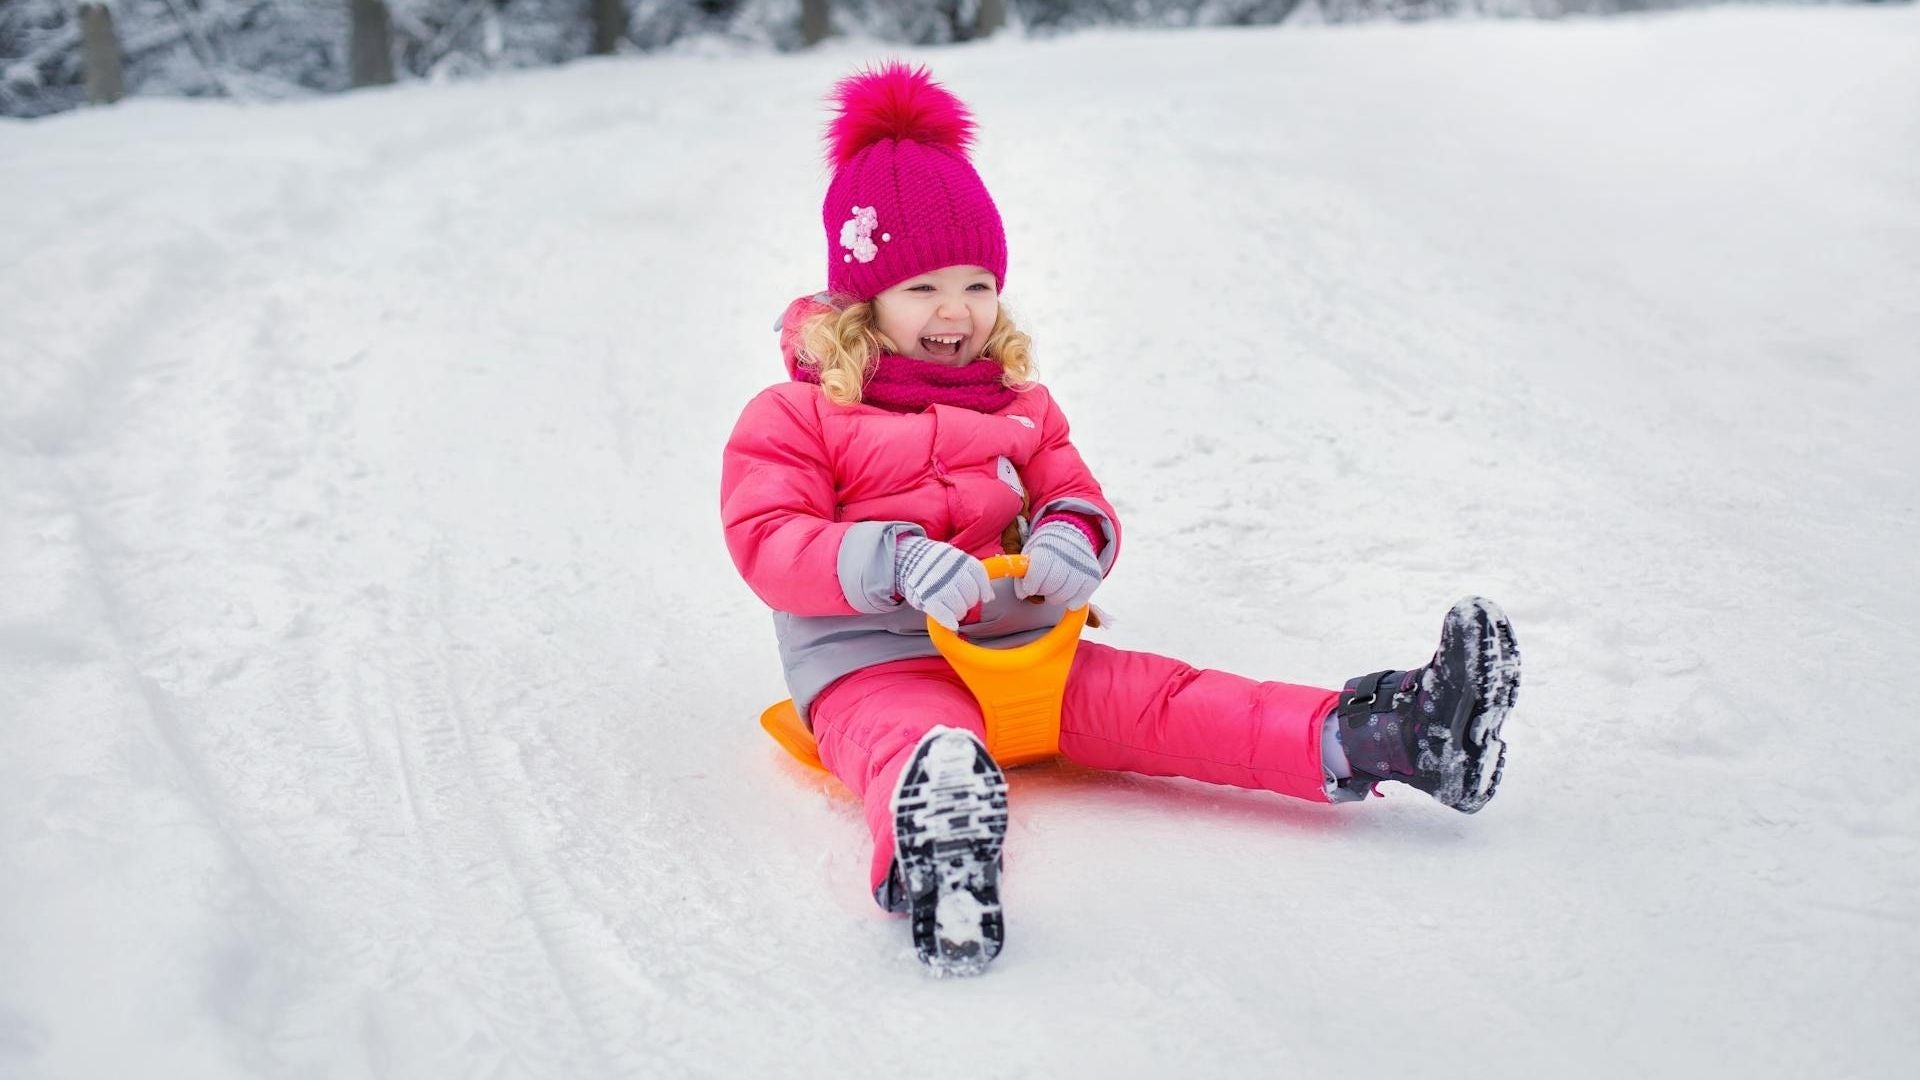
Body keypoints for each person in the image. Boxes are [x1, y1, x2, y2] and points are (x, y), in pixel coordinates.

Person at [720, 63, 1521, 977]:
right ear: (863, 301)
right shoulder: (798, 415)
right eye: (922, 287)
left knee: (1167, 698)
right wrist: (893, 559)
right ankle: (940, 849)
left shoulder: (1020, 404)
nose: (956, 311)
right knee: (918, 742)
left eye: (978, 284)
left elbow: (1076, 493)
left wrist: (1074, 536)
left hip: (1024, 651)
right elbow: (767, 538)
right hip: (877, 664)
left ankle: (1395, 737)